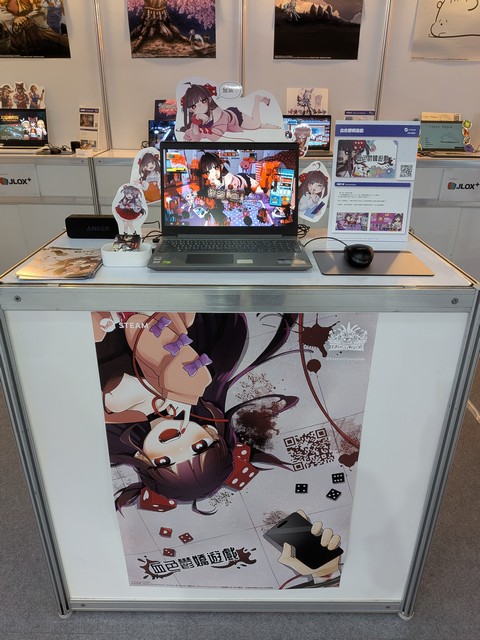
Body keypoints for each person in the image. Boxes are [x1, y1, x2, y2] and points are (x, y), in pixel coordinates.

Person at [92, 312, 299, 514]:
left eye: (164, 462)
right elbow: (147, 319)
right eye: (199, 447)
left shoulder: (102, 422)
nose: (176, 445)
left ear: (142, 458)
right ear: (212, 432)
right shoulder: (198, 374)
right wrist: (179, 388)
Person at [179, 82, 280, 142]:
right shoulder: (196, 118)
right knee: (258, 126)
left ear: (209, 100)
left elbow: (215, 136)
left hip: (236, 118)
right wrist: (196, 123)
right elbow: (195, 138)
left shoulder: (218, 115)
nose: (200, 107)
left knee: (256, 125)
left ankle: (257, 100)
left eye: (203, 101)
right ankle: (264, 125)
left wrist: (200, 132)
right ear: (190, 109)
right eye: (194, 106)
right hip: (228, 123)